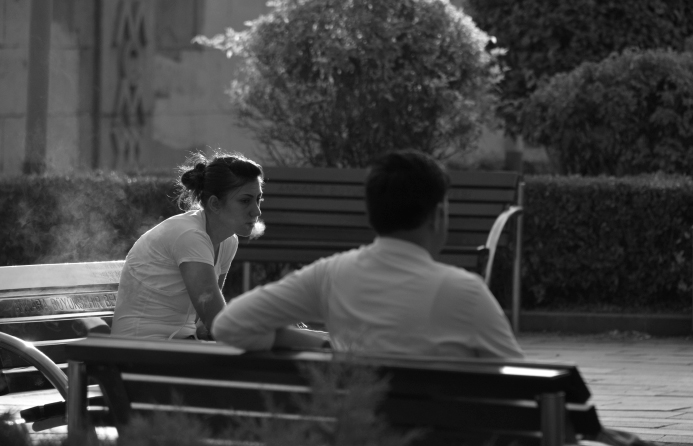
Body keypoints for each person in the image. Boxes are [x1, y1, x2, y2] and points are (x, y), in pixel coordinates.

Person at [212, 148, 523, 358]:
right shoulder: (466, 294)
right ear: (437, 215)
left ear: (373, 212)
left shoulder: (330, 275)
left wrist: (327, 344)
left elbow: (229, 325)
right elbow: (521, 383)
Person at [110, 151, 265, 340]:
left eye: (258, 199)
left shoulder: (228, 241)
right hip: (138, 348)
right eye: (245, 201)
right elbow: (217, 321)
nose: (256, 211)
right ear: (215, 204)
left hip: (178, 345)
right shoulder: (190, 236)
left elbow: (206, 322)